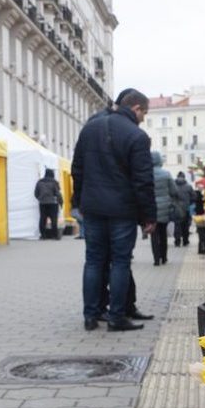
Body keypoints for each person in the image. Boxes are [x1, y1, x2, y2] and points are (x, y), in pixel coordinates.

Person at [71, 87, 156, 332]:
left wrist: (80, 202)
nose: (143, 119)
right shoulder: (137, 136)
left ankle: (90, 316)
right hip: (122, 210)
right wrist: (148, 216)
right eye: (144, 113)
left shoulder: (90, 128)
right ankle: (117, 317)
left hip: (93, 208)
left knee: (93, 261)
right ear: (136, 108)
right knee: (120, 262)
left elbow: (77, 169)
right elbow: (143, 181)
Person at [150, 151, 177, 265]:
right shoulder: (166, 174)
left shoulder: (146, 174)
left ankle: (156, 259)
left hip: (151, 208)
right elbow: (174, 191)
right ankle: (164, 257)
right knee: (163, 234)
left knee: (153, 234)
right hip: (165, 208)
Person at [34, 168, 63, 239]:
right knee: (54, 219)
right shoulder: (54, 182)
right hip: (53, 203)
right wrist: (61, 202)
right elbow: (58, 194)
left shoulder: (39, 182)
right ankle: (55, 235)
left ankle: (43, 235)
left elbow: (36, 193)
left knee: (42, 219)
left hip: (42, 203)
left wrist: (40, 198)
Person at [172, 171, 194, 247]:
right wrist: (189, 203)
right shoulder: (189, 186)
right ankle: (185, 241)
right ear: (184, 177)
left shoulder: (173, 186)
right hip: (186, 209)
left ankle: (177, 241)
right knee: (185, 226)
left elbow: (170, 196)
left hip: (176, 209)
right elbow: (194, 197)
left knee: (177, 225)